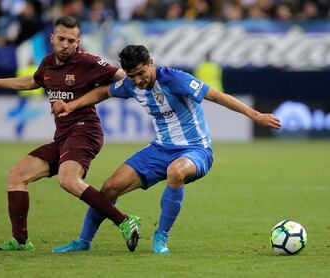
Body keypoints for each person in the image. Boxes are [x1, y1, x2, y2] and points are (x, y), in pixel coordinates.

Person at [53, 45, 281, 254]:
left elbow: (217, 96)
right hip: (159, 149)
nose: (139, 80)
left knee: (176, 172)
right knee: (110, 187)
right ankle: (84, 241)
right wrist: (71, 105)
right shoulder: (131, 85)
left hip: (195, 150)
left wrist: (255, 115)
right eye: (132, 76)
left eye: (142, 73)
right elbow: (103, 92)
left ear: (151, 62)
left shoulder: (175, 79)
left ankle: (161, 237)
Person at [0, 16, 141, 252]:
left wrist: (145, 81)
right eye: (61, 39)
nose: (66, 45)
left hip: (85, 131)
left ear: (78, 42)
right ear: (52, 38)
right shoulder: (48, 64)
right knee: (16, 176)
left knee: (68, 180)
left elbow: (120, 75)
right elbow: (32, 82)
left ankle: (124, 221)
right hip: (63, 137)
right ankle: (21, 242)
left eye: (71, 41)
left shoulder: (88, 62)